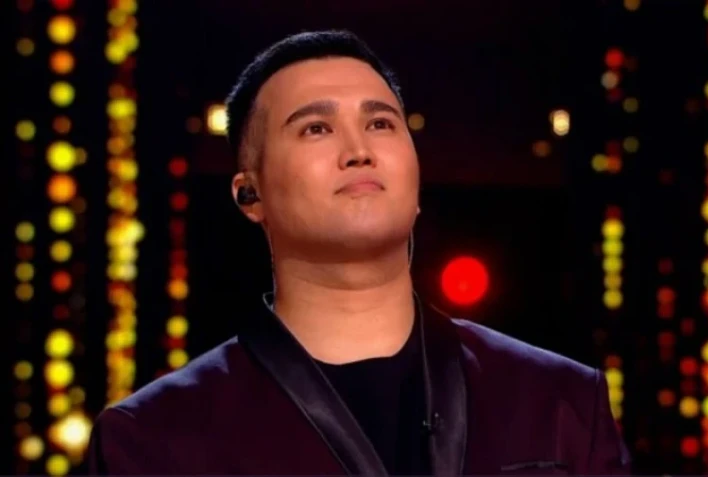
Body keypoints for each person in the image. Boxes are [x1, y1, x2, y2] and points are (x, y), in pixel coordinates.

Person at [86, 30, 630, 476]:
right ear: (250, 194)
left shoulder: (560, 401)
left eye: (380, 123)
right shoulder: (153, 438)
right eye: (316, 128)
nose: (359, 151)